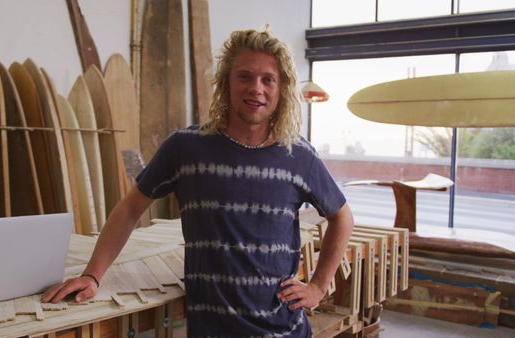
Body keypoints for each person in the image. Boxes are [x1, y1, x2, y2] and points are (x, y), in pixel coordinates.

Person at [42, 28, 354, 337]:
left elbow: (342, 218)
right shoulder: (186, 148)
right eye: (244, 76)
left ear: (281, 88)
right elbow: (130, 208)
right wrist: (93, 275)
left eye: (267, 79)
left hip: (281, 329)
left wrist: (318, 285)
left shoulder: (298, 155)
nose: (256, 89)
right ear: (226, 83)